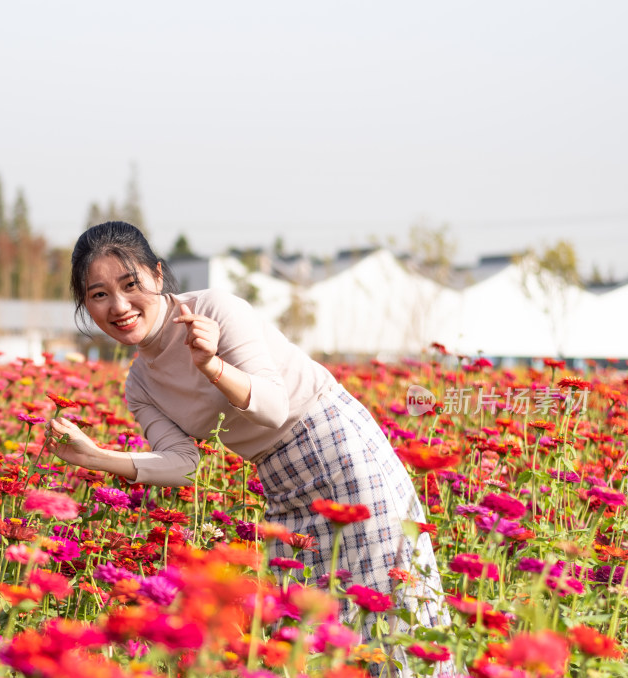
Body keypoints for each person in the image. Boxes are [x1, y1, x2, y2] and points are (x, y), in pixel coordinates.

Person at [46, 221, 448, 640]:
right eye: (99, 295)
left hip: (340, 453)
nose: (119, 306)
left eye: (131, 284)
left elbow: (273, 409)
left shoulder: (214, 309)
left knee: (387, 615)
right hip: (280, 483)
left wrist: (211, 365)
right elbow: (184, 466)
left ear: (158, 275)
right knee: (308, 632)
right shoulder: (140, 384)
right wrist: (95, 457)